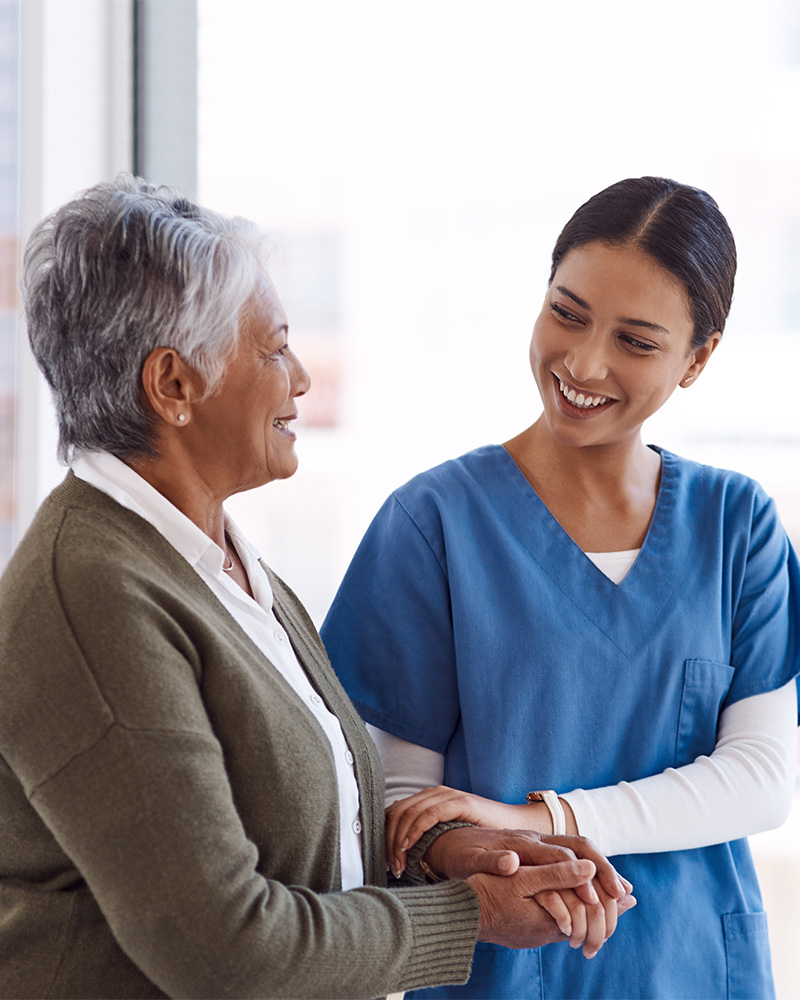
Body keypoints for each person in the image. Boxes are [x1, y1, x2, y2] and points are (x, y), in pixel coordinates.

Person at [0, 176, 635, 1000]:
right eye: (272, 349)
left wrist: (448, 851)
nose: (299, 377)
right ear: (174, 386)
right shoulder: (92, 594)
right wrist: (468, 914)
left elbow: (296, 843)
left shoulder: (221, 564)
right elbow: (222, 948)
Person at [321, 177, 800, 1000]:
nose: (582, 364)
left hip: (697, 972)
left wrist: (548, 819)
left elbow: (761, 775)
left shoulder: (738, 526)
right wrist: (491, 844)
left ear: (699, 358)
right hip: (502, 971)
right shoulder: (433, 525)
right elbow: (403, 803)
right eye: (567, 314)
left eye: (637, 342)